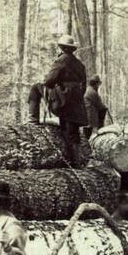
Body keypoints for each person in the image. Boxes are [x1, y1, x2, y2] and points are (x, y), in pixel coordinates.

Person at [42, 34, 88, 162]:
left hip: (64, 99)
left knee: (67, 130)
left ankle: (71, 162)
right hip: (77, 100)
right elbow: (84, 85)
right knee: (74, 131)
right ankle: (76, 160)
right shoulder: (79, 64)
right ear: (73, 49)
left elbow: (49, 81)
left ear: (61, 48)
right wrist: (76, 94)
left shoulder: (61, 60)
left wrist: (59, 90)